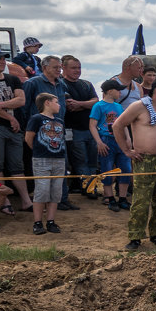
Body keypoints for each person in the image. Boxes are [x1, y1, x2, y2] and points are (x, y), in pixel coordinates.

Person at [113, 79, 156, 250]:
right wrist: (126, 150)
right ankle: (135, 237)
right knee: (141, 200)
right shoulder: (138, 107)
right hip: (144, 159)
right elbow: (117, 125)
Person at [0, 47, 32, 215]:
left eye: (4, 58)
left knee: (18, 166)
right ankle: (4, 200)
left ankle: (25, 200)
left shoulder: (13, 78)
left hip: (13, 128)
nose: (2, 61)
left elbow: (21, 100)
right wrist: (10, 117)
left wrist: (0, 105)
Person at [23, 94, 66, 235]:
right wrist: (38, 152)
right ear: (47, 103)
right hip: (42, 160)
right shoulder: (36, 119)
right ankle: (37, 222)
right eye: (56, 102)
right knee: (42, 190)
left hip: (59, 159)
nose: (59, 105)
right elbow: (29, 137)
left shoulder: (60, 121)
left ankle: (51, 221)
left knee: (56, 191)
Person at [61, 55, 98, 205]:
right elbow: (70, 105)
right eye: (73, 68)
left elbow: (96, 102)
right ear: (64, 68)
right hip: (73, 130)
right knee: (80, 161)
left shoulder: (86, 84)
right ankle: (89, 188)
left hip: (90, 128)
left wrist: (80, 104)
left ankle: (91, 186)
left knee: (92, 161)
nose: (77, 71)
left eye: (79, 67)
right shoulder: (61, 84)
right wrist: (87, 104)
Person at [90, 79, 131, 211]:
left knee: (126, 169)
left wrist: (128, 138)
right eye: (117, 90)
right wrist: (99, 142)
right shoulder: (99, 106)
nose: (120, 92)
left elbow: (123, 124)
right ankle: (110, 198)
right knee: (107, 170)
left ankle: (123, 198)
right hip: (106, 139)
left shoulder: (119, 107)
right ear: (109, 91)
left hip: (120, 140)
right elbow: (92, 125)